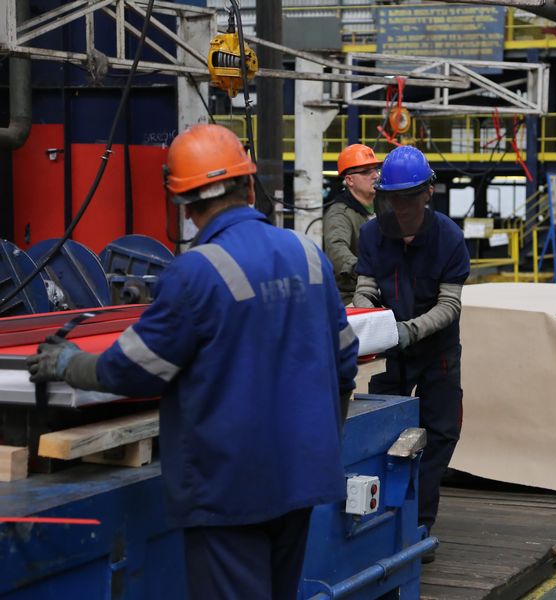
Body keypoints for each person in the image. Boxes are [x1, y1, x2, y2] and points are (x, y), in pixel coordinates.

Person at [27, 123, 358, 600]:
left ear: (184, 205)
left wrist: (68, 363)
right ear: (249, 186)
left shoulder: (195, 272)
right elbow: (345, 358)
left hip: (231, 488)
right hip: (303, 475)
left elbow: (133, 370)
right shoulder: (308, 256)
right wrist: (323, 442)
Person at [352, 145, 469, 562]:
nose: (400, 208)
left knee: (440, 432)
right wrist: (364, 319)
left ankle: (419, 522)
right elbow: (366, 288)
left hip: (436, 351)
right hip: (392, 352)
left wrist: (410, 330)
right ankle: (383, 520)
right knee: (382, 430)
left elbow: (450, 304)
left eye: (408, 198)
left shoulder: (449, 238)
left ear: (428, 193)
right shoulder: (372, 235)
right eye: (393, 199)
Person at [324, 144, 381, 304]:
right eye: (366, 172)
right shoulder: (339, 214)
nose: (375, 176)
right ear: (349, 180)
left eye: (376, 169)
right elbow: (336, 248)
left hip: (383, 291)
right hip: (351, 295)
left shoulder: (383, 208)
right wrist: (366, 270)